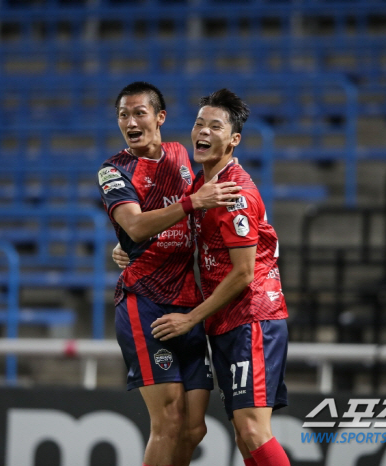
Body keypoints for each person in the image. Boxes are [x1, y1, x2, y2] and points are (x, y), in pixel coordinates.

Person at [98, 81, 241, 466]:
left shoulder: (180, 153)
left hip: (187, 301)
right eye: (123, 115)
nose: (130, 121)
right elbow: (137, 226)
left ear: (159, 117)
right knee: (169, 420)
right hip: (144, 303)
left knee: (195, 428)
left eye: (139, 112)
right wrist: (131, 238)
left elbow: (206, 197)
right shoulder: (114, 171)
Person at [151, 89, 292, 466]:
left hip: (253, 317)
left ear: (234, 140)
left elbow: (244, 273)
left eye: (216, 126)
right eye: (199, 123)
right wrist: (127, 251)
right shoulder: (203, 187)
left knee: (252, 430)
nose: (203, 131)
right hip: (227, 321)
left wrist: (191, 317)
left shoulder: (236, 194)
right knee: (245, 437)